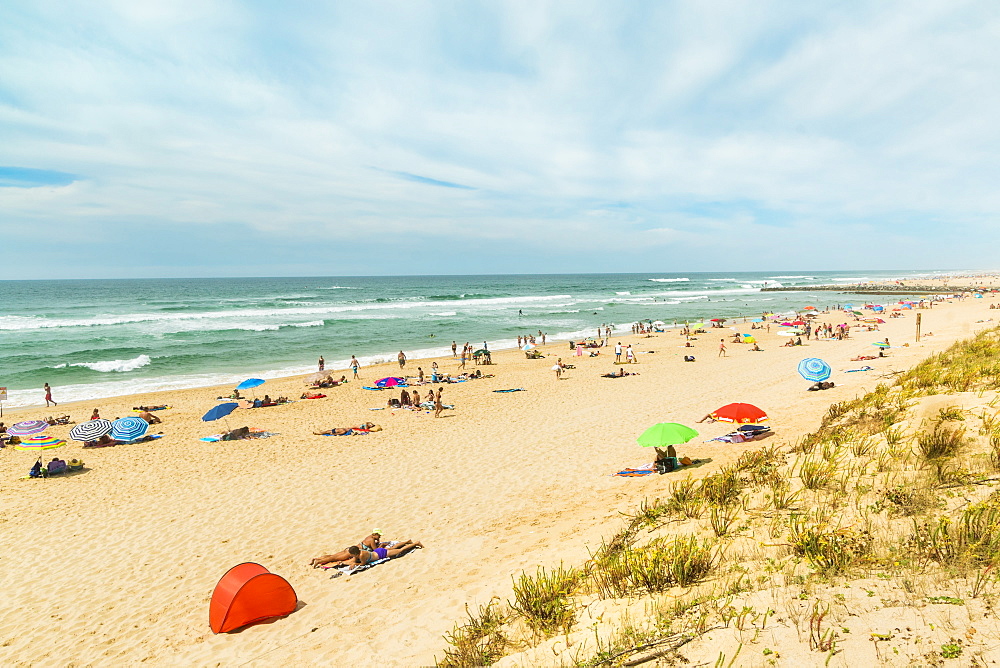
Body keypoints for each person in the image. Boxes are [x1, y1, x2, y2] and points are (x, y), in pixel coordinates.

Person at [343, 541, 424, 572]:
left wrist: (355, 564)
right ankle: (407, 541)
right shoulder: (359, 552)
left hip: (381, 554)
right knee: (393, 548)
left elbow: (363, 564)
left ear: (354, 553)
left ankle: (416, 543)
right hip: (377, 552)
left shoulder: (361, 555)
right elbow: (354, 560)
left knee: (400, 550)